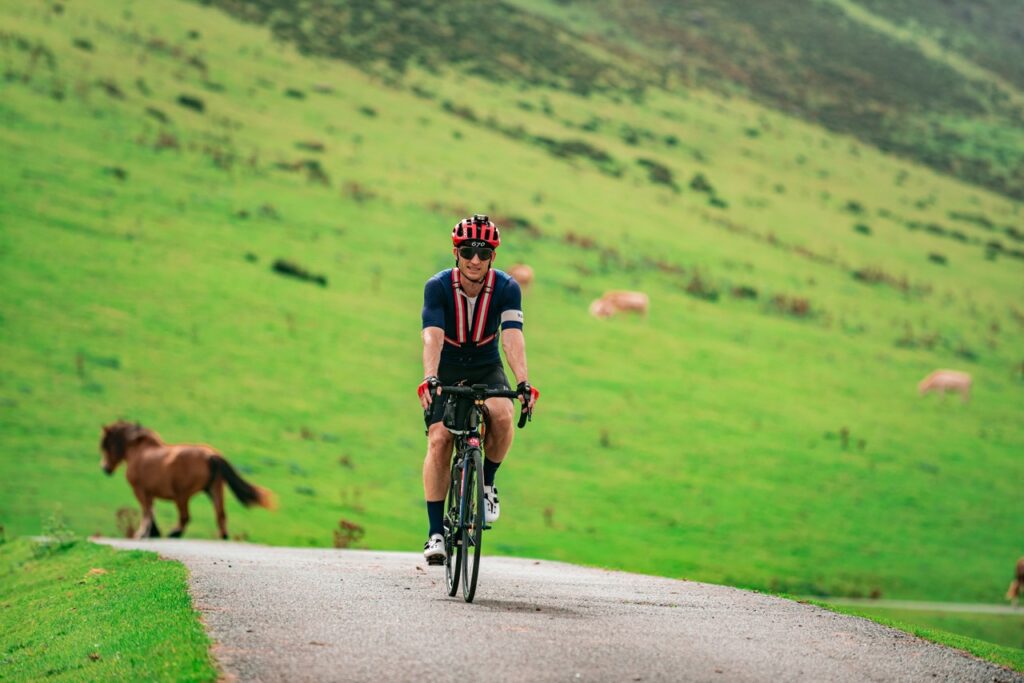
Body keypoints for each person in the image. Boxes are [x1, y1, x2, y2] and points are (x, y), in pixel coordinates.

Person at [417, 214, 540, 564]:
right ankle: (435, 533)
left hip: (486, 364)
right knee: (440, 439)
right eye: (468, 251)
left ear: (493, 257)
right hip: (448, 365)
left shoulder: (507, 288)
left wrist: (523, 382)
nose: (475, 260)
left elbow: (512, 338)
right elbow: (432, 336)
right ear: (456, 252)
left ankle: (486, 484)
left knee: (502, 414)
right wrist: (430, 377)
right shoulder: (438, 286)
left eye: (483, 253)